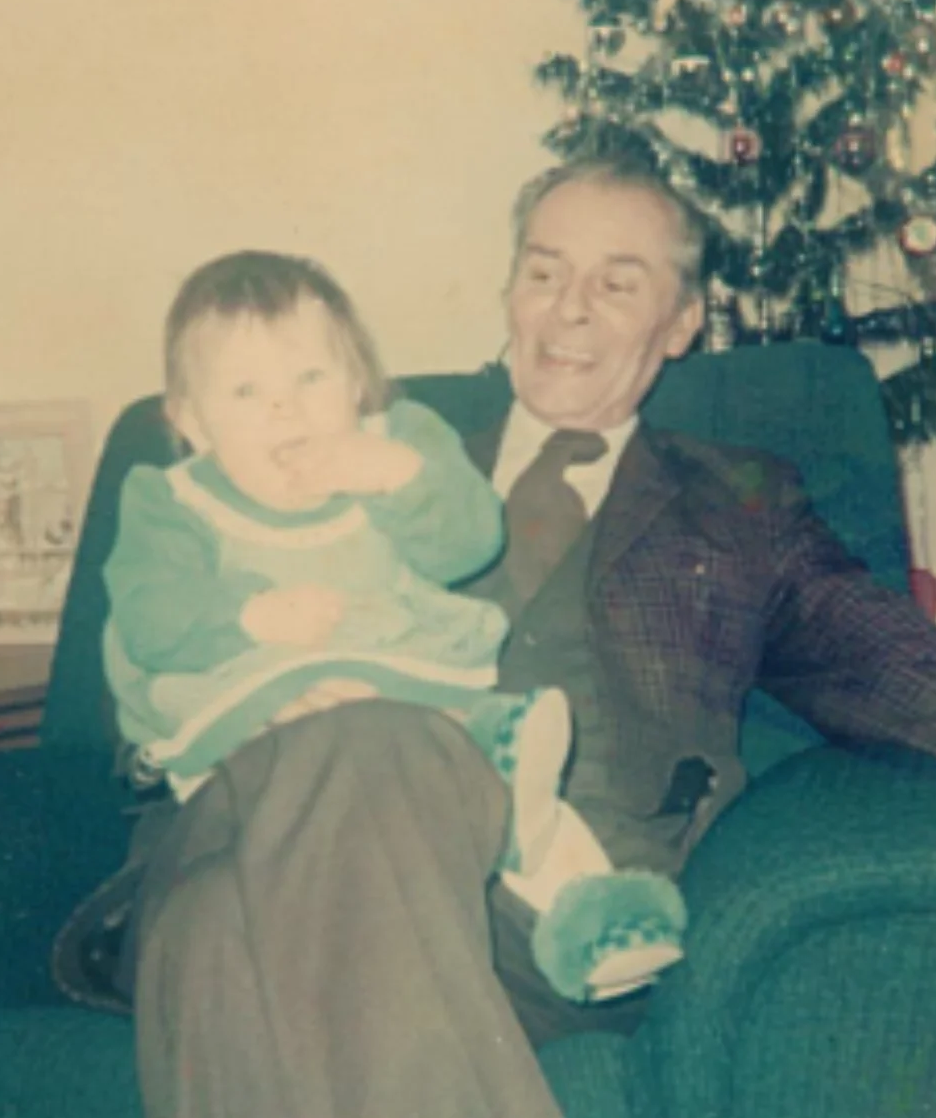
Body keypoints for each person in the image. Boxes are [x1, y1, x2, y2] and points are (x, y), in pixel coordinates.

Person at [54, 154, 936, 1118]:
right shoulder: (336, 434)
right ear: (508, 292)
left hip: (540, 917)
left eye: (616, 284)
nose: (568, 310)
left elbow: (909, 677)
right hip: (236, 822)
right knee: (350, 767)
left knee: (214, 946)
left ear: (680, 325)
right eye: (544, 272)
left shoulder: (739, 504)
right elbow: (140, 659)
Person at [101, 249, 688, 1006]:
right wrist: (247, 615)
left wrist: (394, 478)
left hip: (404, 700)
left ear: (356, 383)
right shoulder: (172, 500)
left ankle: (594, 916)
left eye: (311, 378)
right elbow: (149, 615)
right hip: (253, 711)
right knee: (448, 775)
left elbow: (470, 541)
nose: (287, 409)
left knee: (508, 771)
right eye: (246, 391)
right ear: (190, 421)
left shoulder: (400, 442)